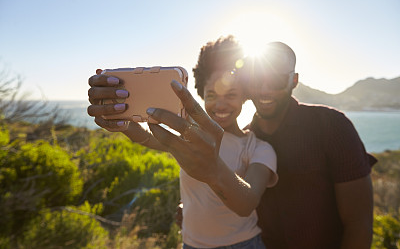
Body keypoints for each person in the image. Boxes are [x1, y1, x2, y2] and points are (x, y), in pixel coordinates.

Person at [87, 36, 278, 248]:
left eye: (231, 94)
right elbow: (144, 138)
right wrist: (117, 117)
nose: (220, 103)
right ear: (201, 95)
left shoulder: (259, 148)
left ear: (244, 97)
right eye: (211, 94)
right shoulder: (191, 137)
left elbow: (247, 203)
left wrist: (213, 170)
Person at [243, 42, 377, 249]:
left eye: (276, 79)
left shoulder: (332, 126)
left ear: (294, 81)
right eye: (256, 79)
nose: (264, 89)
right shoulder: (244, 138)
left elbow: (359, 224)